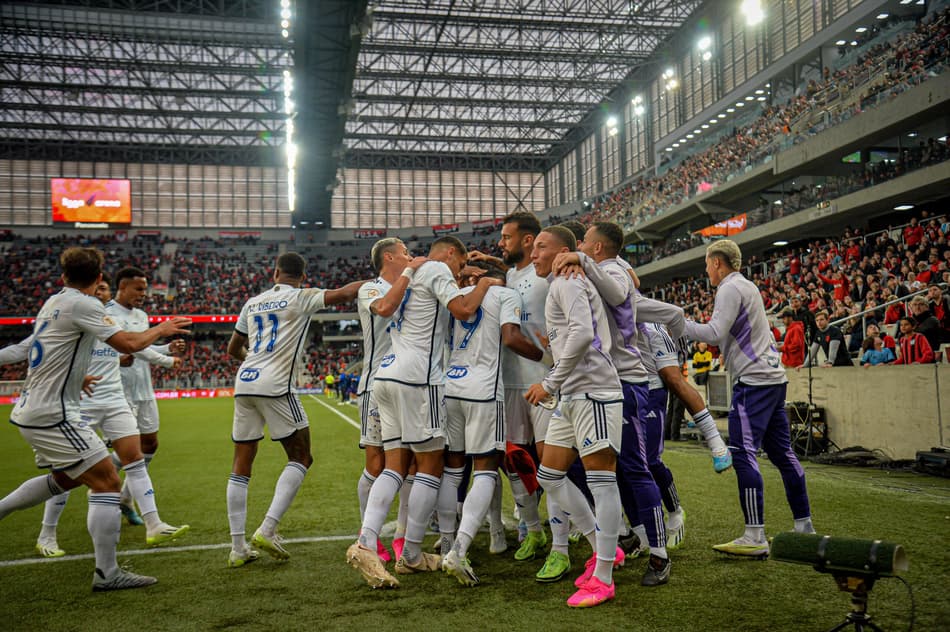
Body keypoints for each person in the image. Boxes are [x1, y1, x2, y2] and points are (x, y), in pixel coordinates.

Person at [0, 247, 192, 591]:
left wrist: (77, 377)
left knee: (65, 479)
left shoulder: (54, 301)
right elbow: (128, 343)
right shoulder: (85, 305)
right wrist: (161, 329)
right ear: (100, 277)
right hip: (55, 415)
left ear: (64, 276)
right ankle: (107, 573)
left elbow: (40, 350)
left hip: (37, 409)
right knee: (107, 481)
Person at [347, 236, 501, 589]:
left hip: (386, 375)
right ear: (450, 254)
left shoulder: (408, 275)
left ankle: (366, 542)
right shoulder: (435, 269)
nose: (459, 271)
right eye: (459, 264)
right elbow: (463, 310)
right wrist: (486, 285)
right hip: (419, 379)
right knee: (431, 467)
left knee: (394, 466)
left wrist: (463, 279)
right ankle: (412, 553)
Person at [27, 273, 189, 556]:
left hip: (116, 399)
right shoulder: (82, 315)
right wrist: (164, 353)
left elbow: (134, 346)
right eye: (98, 287)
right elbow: (129, 346)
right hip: (84, 401)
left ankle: (153, 524)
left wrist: (157, 350)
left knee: (136, 458)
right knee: (65, 474)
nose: (101, 292)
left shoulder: (115, 317)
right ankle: (47, 534)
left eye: (104, 288)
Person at [552, 222, 671, 588]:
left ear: (598, 247)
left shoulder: (613, 269)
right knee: (573, 468)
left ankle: (660, 553)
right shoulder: (592, 270)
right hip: (599, 384)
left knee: (634, 467)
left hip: (626, 381)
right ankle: (621, 533)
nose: (580, 245)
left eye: (585, 242)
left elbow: (620, 294)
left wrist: (584, 262)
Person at [225, 252, 363, 567]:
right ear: (302, 277)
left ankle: (237, 548)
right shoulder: (301, 297)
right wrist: (387, 278)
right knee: (301, 457)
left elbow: (233, 348)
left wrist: (254, 364)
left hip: (244, 382)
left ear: (275, 273)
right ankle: (267, 529)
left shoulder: (252, 303)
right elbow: (346, 293)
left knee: (241, 464)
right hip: (276, 385)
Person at [684, 240, 814, 557]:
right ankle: (804, 527)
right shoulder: (747, 286)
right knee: (782, 453)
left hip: (753, 381)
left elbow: (714, 333)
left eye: (707, 263)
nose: (706, 270)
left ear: (717, 262)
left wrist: (679, 324)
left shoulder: (729, 288)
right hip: (773, 377)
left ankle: (755, 535)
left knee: (742, 453)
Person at [527, 225, 625, 608]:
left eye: (541, 247)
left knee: (602, 482)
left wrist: (549, 383)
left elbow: (583, 334)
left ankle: (604, 577)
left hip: (593, 391)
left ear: (562, 252)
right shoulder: (563, 282)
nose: (534, 254)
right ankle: (601, 548)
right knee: (549, 475)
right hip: (573, 393)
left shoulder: (567, 281)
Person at [440, 261, 543, 586]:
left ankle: (447, 542)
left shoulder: (456, 297)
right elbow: (511, 338)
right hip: (484, 390)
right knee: (487, 469)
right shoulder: (504, 294)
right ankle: (459, 549)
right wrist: (546, 357)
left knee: (454, 471)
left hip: (450, 386)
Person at [469, 211, 559, 564]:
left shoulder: (548, 275)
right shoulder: (512, 275)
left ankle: (564, 532)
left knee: (551, 464)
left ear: (527, 240)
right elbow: (506, 268)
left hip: (543, 379)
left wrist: (551, 360)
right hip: (509, 382)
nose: (500, 243)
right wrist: (489, 261)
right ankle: (531, 527)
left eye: (506, 237)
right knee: (515, 460)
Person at [355, 238, 427, 563]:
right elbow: (385, 308)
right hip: (375, 385)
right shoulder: (370, 288)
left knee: (410, 465)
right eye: (404, 253)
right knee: (376, 464)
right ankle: (368, 537)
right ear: (389, 257)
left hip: (407, 384)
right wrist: (410, 273)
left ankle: (401, 535)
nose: (409, 257)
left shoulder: (410, 285)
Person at [109, 266, 186, 523]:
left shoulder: (141, 315)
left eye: (145, 289)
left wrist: (166, 347)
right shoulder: (108, 313)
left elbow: (143, 346)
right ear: (122, 287)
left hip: (144, 389)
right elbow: (131, 346)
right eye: (138, 289)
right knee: (130, 450)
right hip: (119, 391)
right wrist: (167, 360)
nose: (144, 293)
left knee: (150, 444)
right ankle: (103, 478)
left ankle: (124, 498)